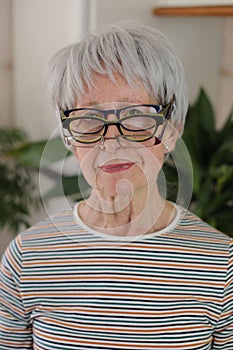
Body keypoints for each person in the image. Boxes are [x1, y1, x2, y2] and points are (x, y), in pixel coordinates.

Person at [0, 21, 232, 350]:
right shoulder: (26, 260)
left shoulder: (222, 266)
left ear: (173, 130)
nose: (112, 141)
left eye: (136, 117)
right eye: (88, 119)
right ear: (68, 136)